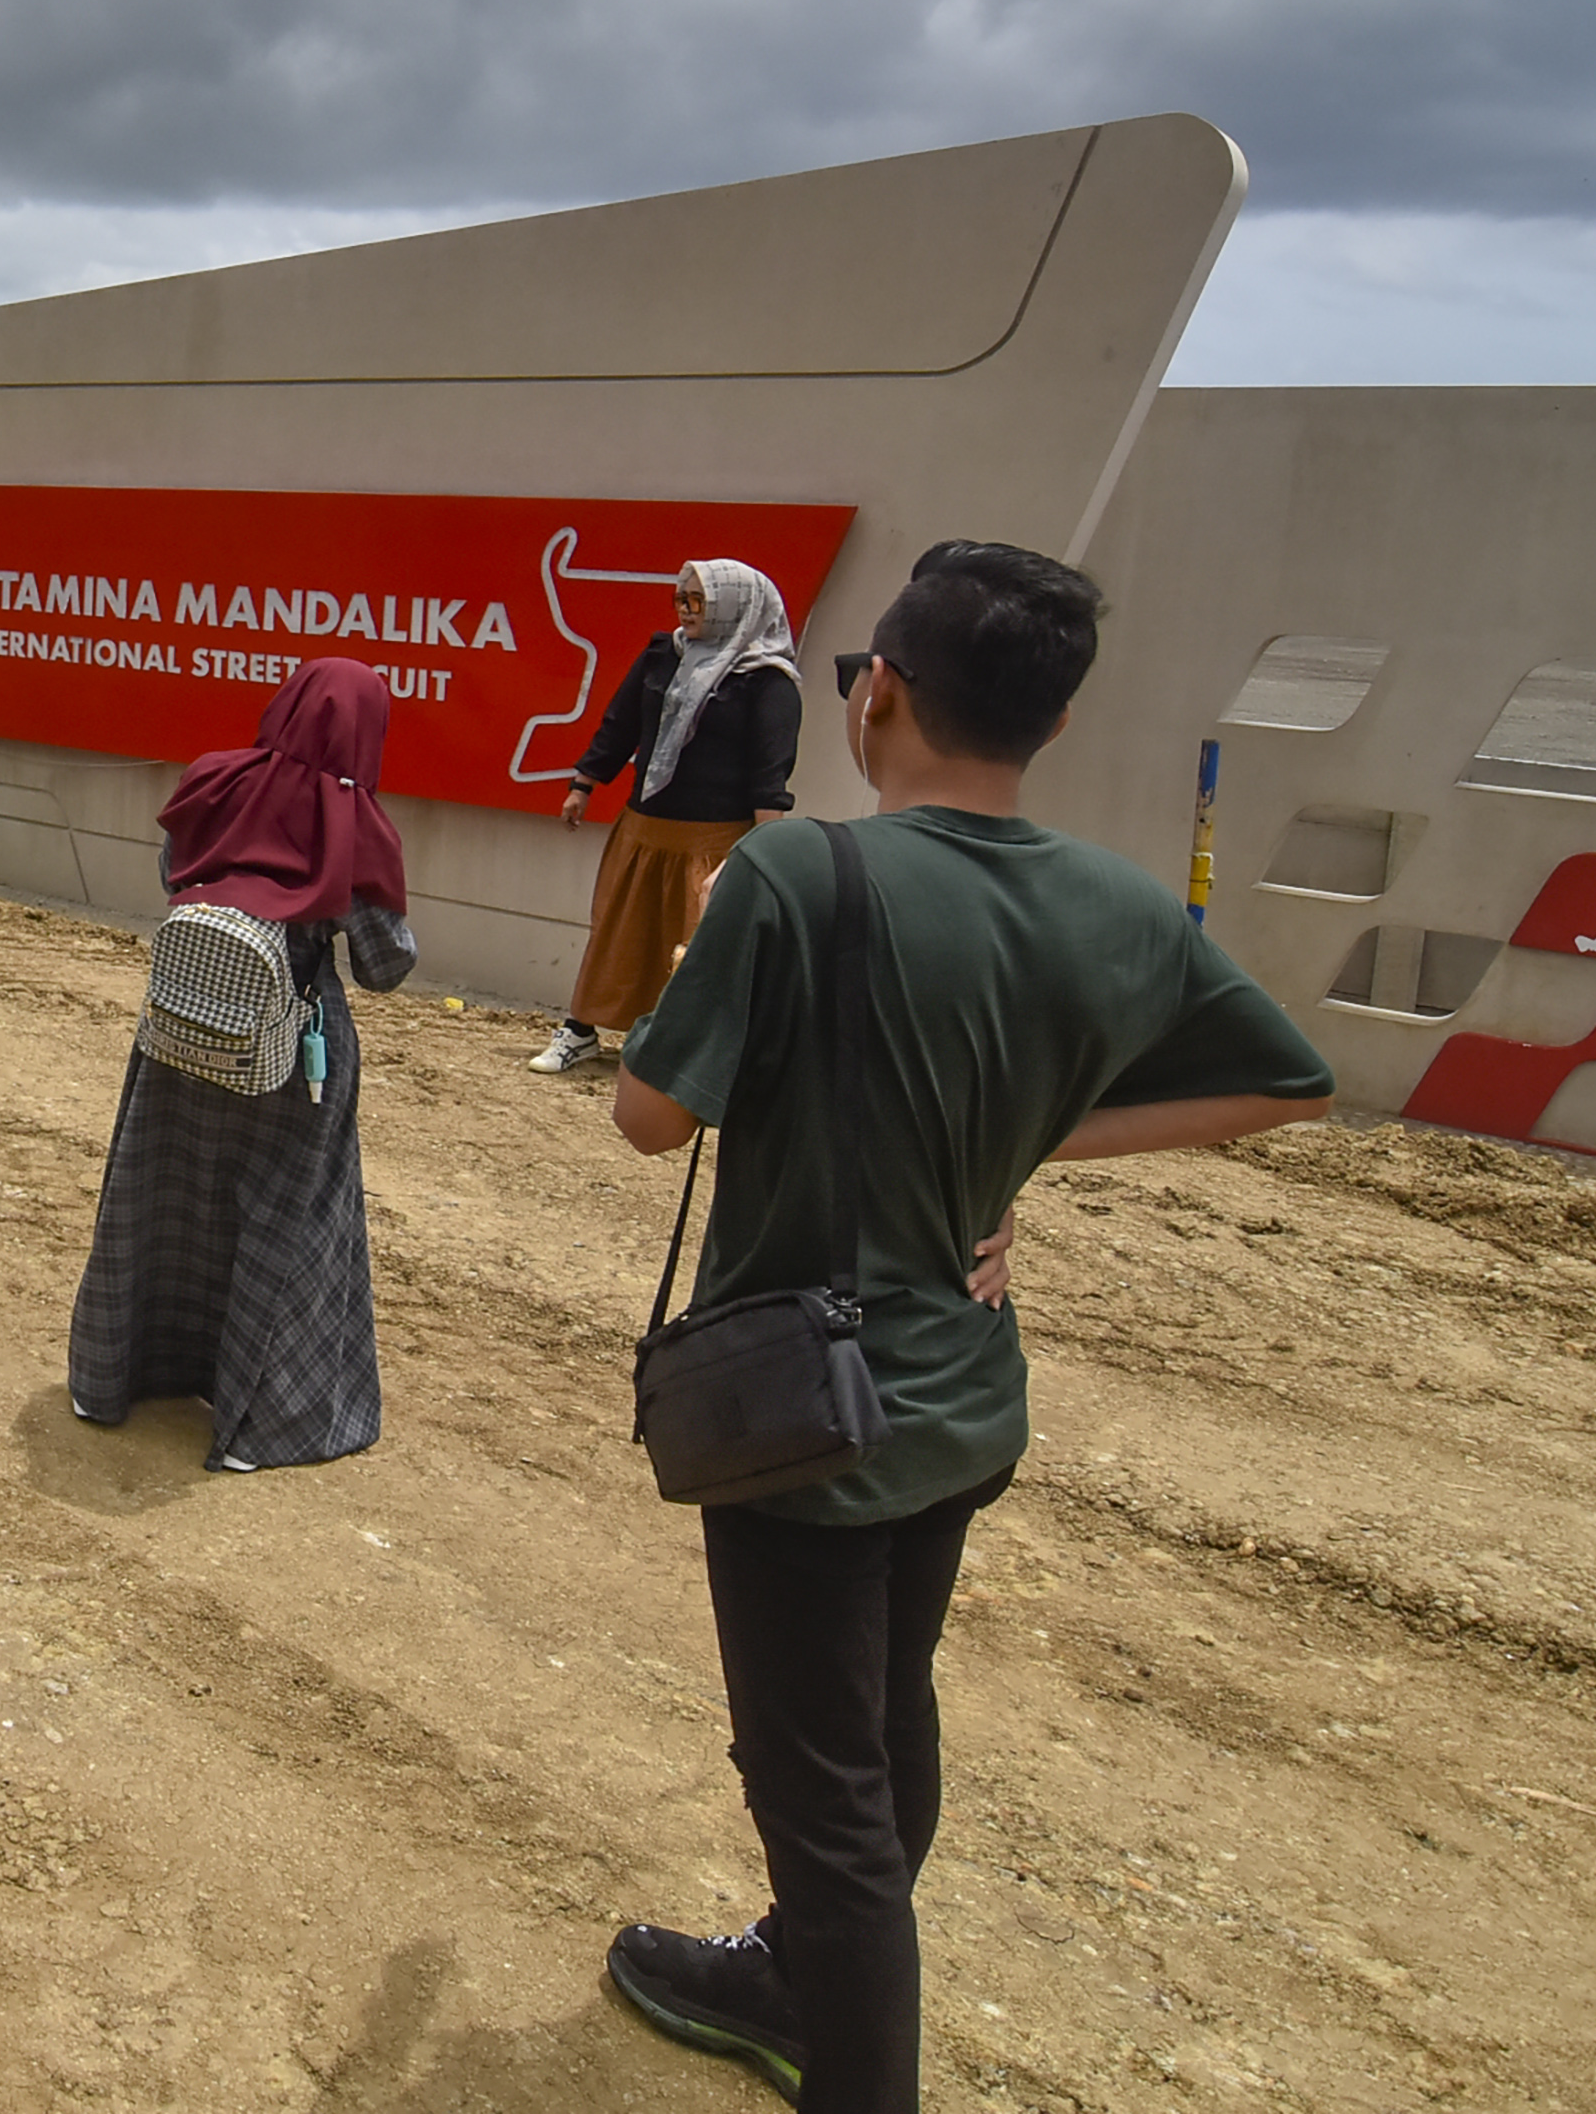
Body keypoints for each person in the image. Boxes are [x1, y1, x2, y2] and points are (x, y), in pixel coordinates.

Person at [600, 543, 1334, 2114]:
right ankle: (791, 1967)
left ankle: (826, 2019)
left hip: (805, 1415)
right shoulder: (1120, 903)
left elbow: (649, 1115)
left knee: (823, 1799)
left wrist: (701, 955)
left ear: (880, 692)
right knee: (883, 1704)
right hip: (960, 1406)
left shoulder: (794, 873)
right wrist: (1026, 1144)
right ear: (1049, 725)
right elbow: (1288, 1081)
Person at [64, 656, 418, 1471]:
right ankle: (261, 1425)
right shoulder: (354, 825)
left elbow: (173, 875)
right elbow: (383, 965)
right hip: (295, 1042)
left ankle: (106, 1380)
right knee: (287, 1213)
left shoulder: (215, 781)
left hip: (184, 1018)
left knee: (160, 1185)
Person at [531, 558, 801, 1074]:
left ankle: (680, 1055)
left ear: (735, 607)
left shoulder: (768, 682)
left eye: (700, 601)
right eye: (682, 599)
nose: (687, 611)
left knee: (699, 948)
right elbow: (622, 722)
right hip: (645, 828)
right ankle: (581, 1030)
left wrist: (763, 854)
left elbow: (771, 772)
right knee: (617, 931)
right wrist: (584, 782)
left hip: (714, 840)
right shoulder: (664, 654)